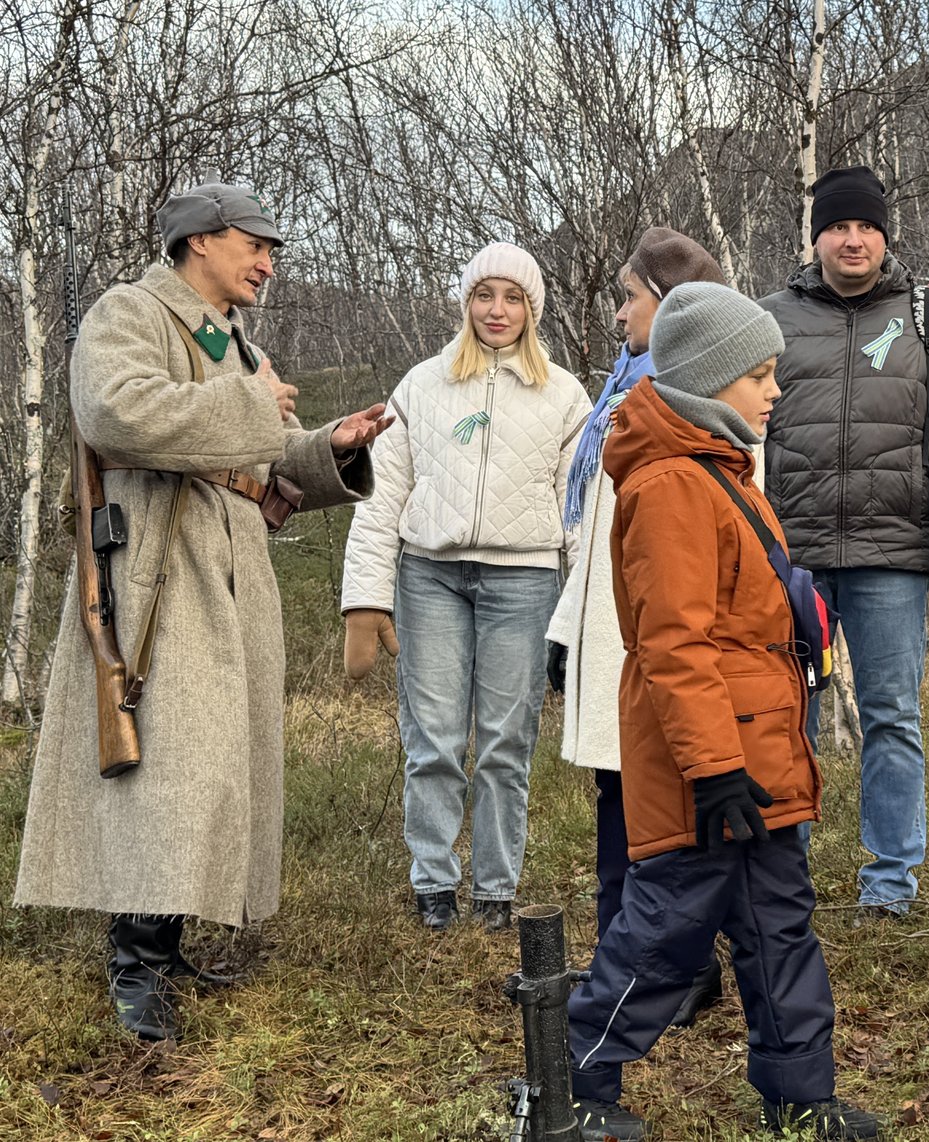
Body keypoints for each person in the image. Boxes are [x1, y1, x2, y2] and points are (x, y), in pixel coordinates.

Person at [13, 182, 389, 1040]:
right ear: (199, 244)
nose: (267, 262)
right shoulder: (130, 312)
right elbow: (116, 413)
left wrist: (323, 451)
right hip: (160, 575)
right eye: (253, 245)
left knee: (212, 763)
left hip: (225, 564)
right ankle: (134, 961)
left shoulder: (225, 335)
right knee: (172, 770)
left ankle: (167, 939)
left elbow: (240, 452)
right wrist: (255, 405)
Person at [567, 282, 880, 1141]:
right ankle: (573, 1088)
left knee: (781, 930)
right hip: (713, 772)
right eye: (760, 374)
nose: (775, 391)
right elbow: (674, 646)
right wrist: (712, 772)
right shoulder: (672, 486)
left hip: (762, 765)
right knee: (665, 932)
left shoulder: (723, 472)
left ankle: (801, 1100)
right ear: (711, 380)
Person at [758, 166, 929, 918]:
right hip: (790, 554)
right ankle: (782, 873)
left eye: (866, 226)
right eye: (839, 226)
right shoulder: (770, 319)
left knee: (892, 715)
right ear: (816, 237)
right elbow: (735, 430)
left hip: (891, 555)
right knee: (781, 714)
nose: (854, 239)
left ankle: (890, 881)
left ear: (885, 235)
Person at [341, 243, 592, 932]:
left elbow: (580, 510)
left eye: (512, 297)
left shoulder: (566, 396)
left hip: (525, 579)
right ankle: (433, 886)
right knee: (435, 738)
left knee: (507, 742)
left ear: (532, 308)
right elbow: (379, 497)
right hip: (431, 577)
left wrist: (579, 615)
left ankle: (495, 892)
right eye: (485, 295)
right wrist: (367, 596)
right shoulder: (421, 386)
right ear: (466, 303)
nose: (497, 310)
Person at [545, 226, 727, 1027]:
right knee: (618, 794)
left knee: (653, 797)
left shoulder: (689, 399)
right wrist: (563, 629)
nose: (620, 315)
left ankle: (670, 964)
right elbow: (592, 528)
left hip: (647, 629)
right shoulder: (630, 389)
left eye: (631, 297)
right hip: (606, 621)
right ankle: (624, 951)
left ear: (674, 306)